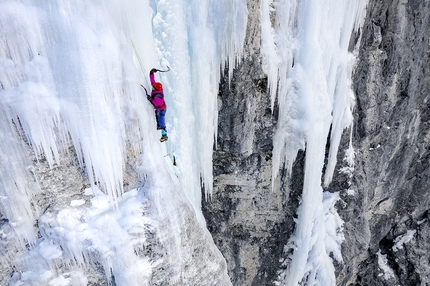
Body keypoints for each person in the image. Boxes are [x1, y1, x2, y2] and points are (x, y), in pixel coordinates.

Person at [147, 68, 168, 142]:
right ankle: (158, 125)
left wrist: (150, 99)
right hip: (160, 108)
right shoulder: (157, 88)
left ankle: (164, 135)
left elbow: (156, 105)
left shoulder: (158, 97)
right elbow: (152, 81)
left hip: (161, 109)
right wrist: (151, 72)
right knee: (157, 117)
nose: (152, 86)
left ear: (155, 89)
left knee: (162, 122)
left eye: (153, 86)